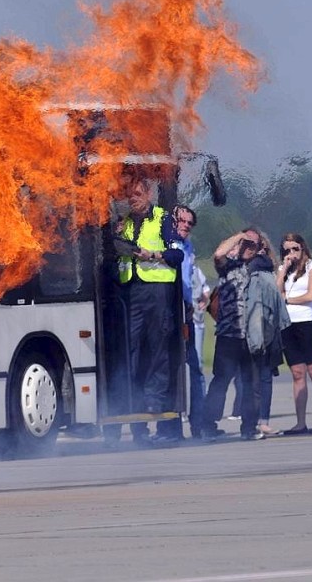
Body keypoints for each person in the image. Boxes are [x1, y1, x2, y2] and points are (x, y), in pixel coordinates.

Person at [103, 174, 184, 447]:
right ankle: (131, 404)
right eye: (130, 196)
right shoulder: (124, 224)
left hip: (158, 292)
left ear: (148, 195)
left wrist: (153, 255)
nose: (132, 200)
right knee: (131, 349)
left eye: (137, 195)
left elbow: (177, 254)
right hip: (131, 291)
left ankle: (154, 404)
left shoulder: (162, 219)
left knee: (157, 348)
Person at [201, 227, 265, 441]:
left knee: (251, 383)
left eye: (252, 245)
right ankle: (208, 426)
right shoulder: (228, 267)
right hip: (229, 335)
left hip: (252, 337)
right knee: (221, 381)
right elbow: (218, 254)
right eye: (244, 244)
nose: (247, 248)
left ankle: (249, 427)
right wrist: (239, 236)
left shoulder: (262, 270)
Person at [276, 233, 312, 435]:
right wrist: (283, 270)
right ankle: (300, 422)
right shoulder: (284, 269)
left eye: (295, 249)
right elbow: (276, 291)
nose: (291, 254)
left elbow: (311, 295)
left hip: (306, 322)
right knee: (297, 372)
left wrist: (287, 300)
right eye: (287, 250)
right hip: (288, 324)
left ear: (302, 248)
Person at [246, 231, 289, 437]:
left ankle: (263, 421)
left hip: (266, 329)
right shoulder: (240, 266)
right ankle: (250, 423)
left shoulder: (266, 269)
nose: (256, 249)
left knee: (264, 378)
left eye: (259, 245)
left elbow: (277, 296)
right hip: (243, 330)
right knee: (248, 379)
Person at [169, 204, 206, 439]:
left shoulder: (188, 246)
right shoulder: (169, 243)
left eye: (189, 223)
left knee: (195, 368)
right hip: (170, 311)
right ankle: (171, 426)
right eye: (181, 221)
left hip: (185, 312)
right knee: (173, 368)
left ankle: (197, 423)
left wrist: (191, 303)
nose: (185, 225)